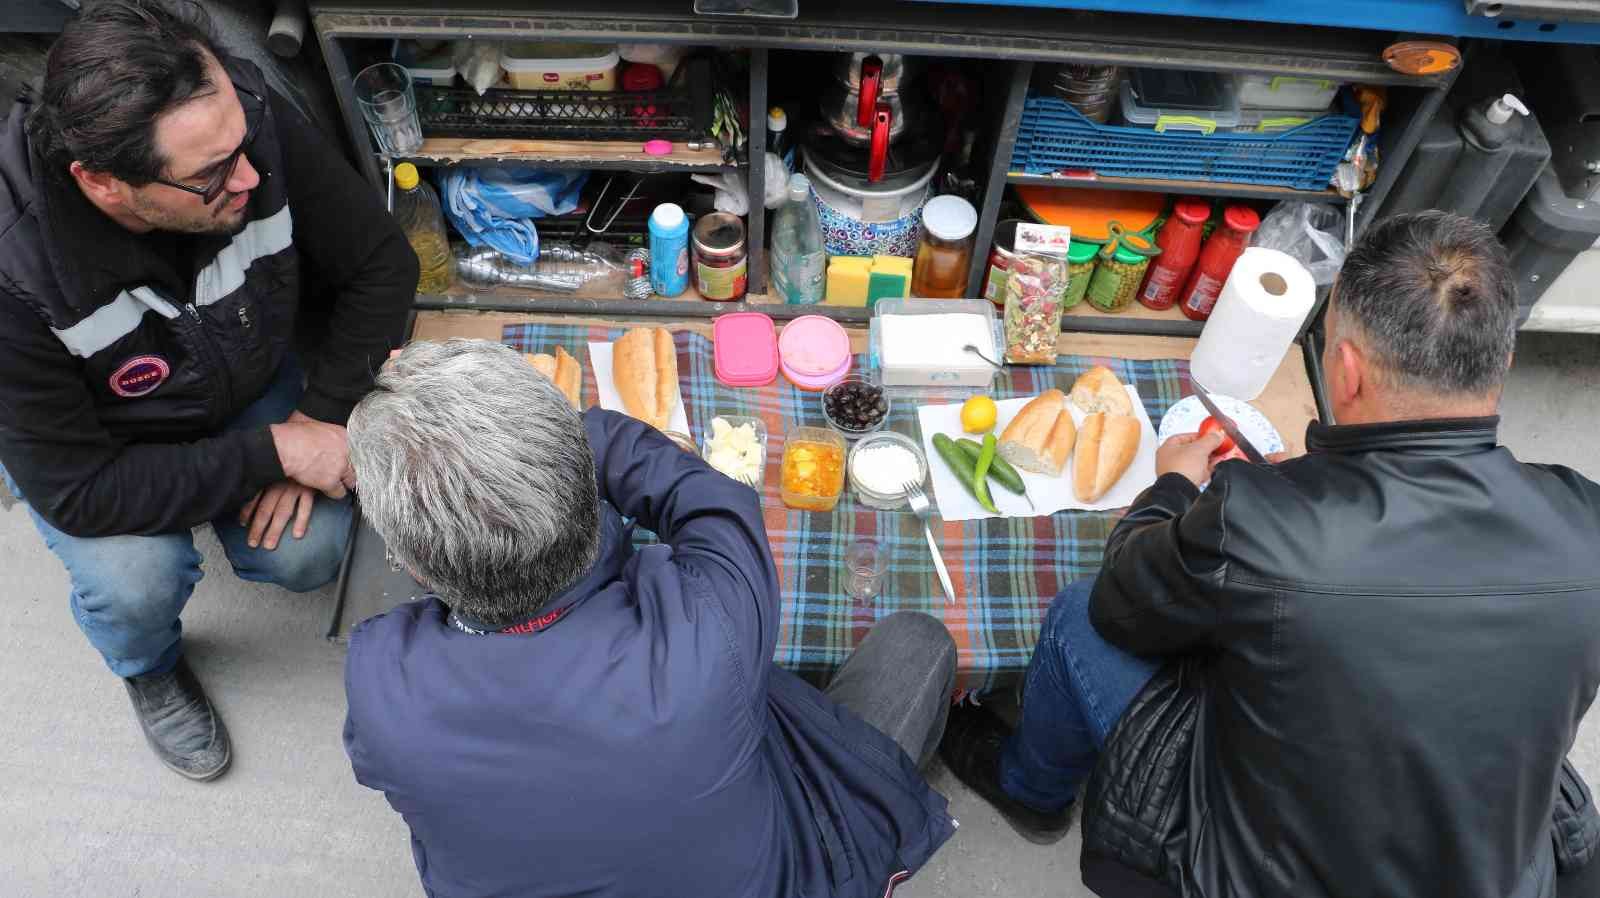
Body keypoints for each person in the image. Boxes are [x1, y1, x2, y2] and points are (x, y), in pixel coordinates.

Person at [940, 210, 1600, 898]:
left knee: (1082, 612)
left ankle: (1029, 789)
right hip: (1503, 874)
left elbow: (1122, 603)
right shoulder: (1587, 521)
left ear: (1343, 371)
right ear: (1504, 360)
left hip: (1244, 874)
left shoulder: (1259, 520)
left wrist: (1171, 485)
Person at [342, 339, 958, 898]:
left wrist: (472, 457)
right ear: (584, 479)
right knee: (919, 643)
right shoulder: (705, 628)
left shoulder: (379, 685)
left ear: (417, 568)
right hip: (793, 872)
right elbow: (714, 501)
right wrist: (540, 443)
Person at [0, 0, 416, 781]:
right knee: (135, 582)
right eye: (212, 176)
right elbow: (82, 493)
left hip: (242, 377)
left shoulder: (236, 122)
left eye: (241, 145)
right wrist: (276, 451)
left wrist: (321, 413)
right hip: (104, 448)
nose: (252, 178)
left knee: (310, 553)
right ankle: (145, 664)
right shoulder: (15, 273)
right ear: (103, 182)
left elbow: (381, 264)